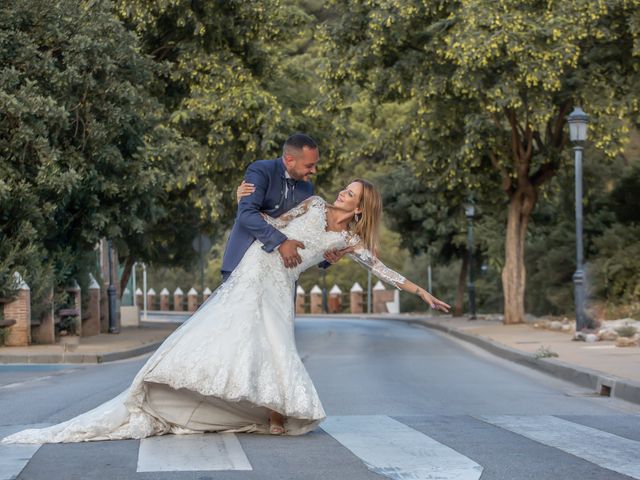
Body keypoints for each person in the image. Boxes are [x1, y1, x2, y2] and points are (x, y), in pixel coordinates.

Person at [1, 179, 449, 444]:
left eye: (351, 194)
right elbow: (270, 221)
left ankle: (274, 409)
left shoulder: (348, 242)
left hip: (281, 287)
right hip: (257, 269)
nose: (342, 193)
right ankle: (172, 385)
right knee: (223, 333)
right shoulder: (312, 204)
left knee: (274, 344)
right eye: (345, 187)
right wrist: (244, 197)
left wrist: (421, 292)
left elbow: (383, 271)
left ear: (360, 208)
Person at [221, 133, 346, 282]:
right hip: (242, 267)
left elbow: (306, 233)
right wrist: (280, 242)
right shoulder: (260, 170)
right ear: (289, 160)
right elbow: (246, 214)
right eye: (309, 165)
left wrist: (326, 258)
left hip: (281, 276)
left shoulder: (307, 189)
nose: (314, 171)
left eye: (315, 164)